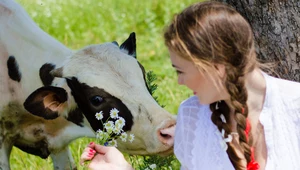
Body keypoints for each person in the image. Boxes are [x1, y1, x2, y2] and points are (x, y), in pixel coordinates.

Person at [80, 1, 300, 170]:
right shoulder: (192, 117)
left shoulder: (294, 106)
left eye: (181, 71)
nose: (179, 81)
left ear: (215, 65)